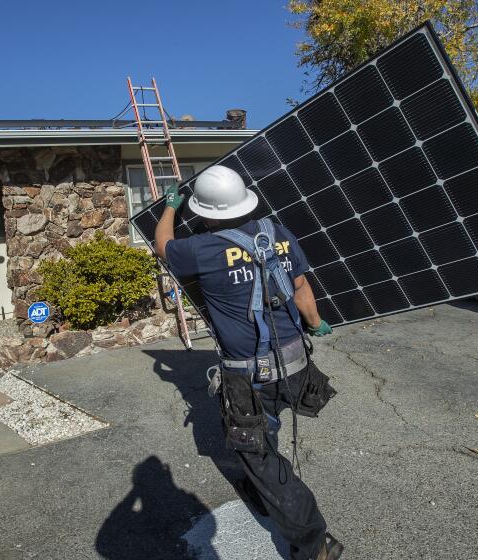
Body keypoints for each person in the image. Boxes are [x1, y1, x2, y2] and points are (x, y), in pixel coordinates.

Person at [154, 165, 343, 560]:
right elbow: (301, 284)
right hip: (297, 365)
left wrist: (171, 208)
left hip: (250, 377)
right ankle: (264, 498)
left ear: (206, 213)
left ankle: (314, 543)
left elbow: (163, 245)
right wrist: (315, 320)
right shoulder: (275, 232)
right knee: (266, 432)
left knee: (258, 456)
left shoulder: (202, 249)